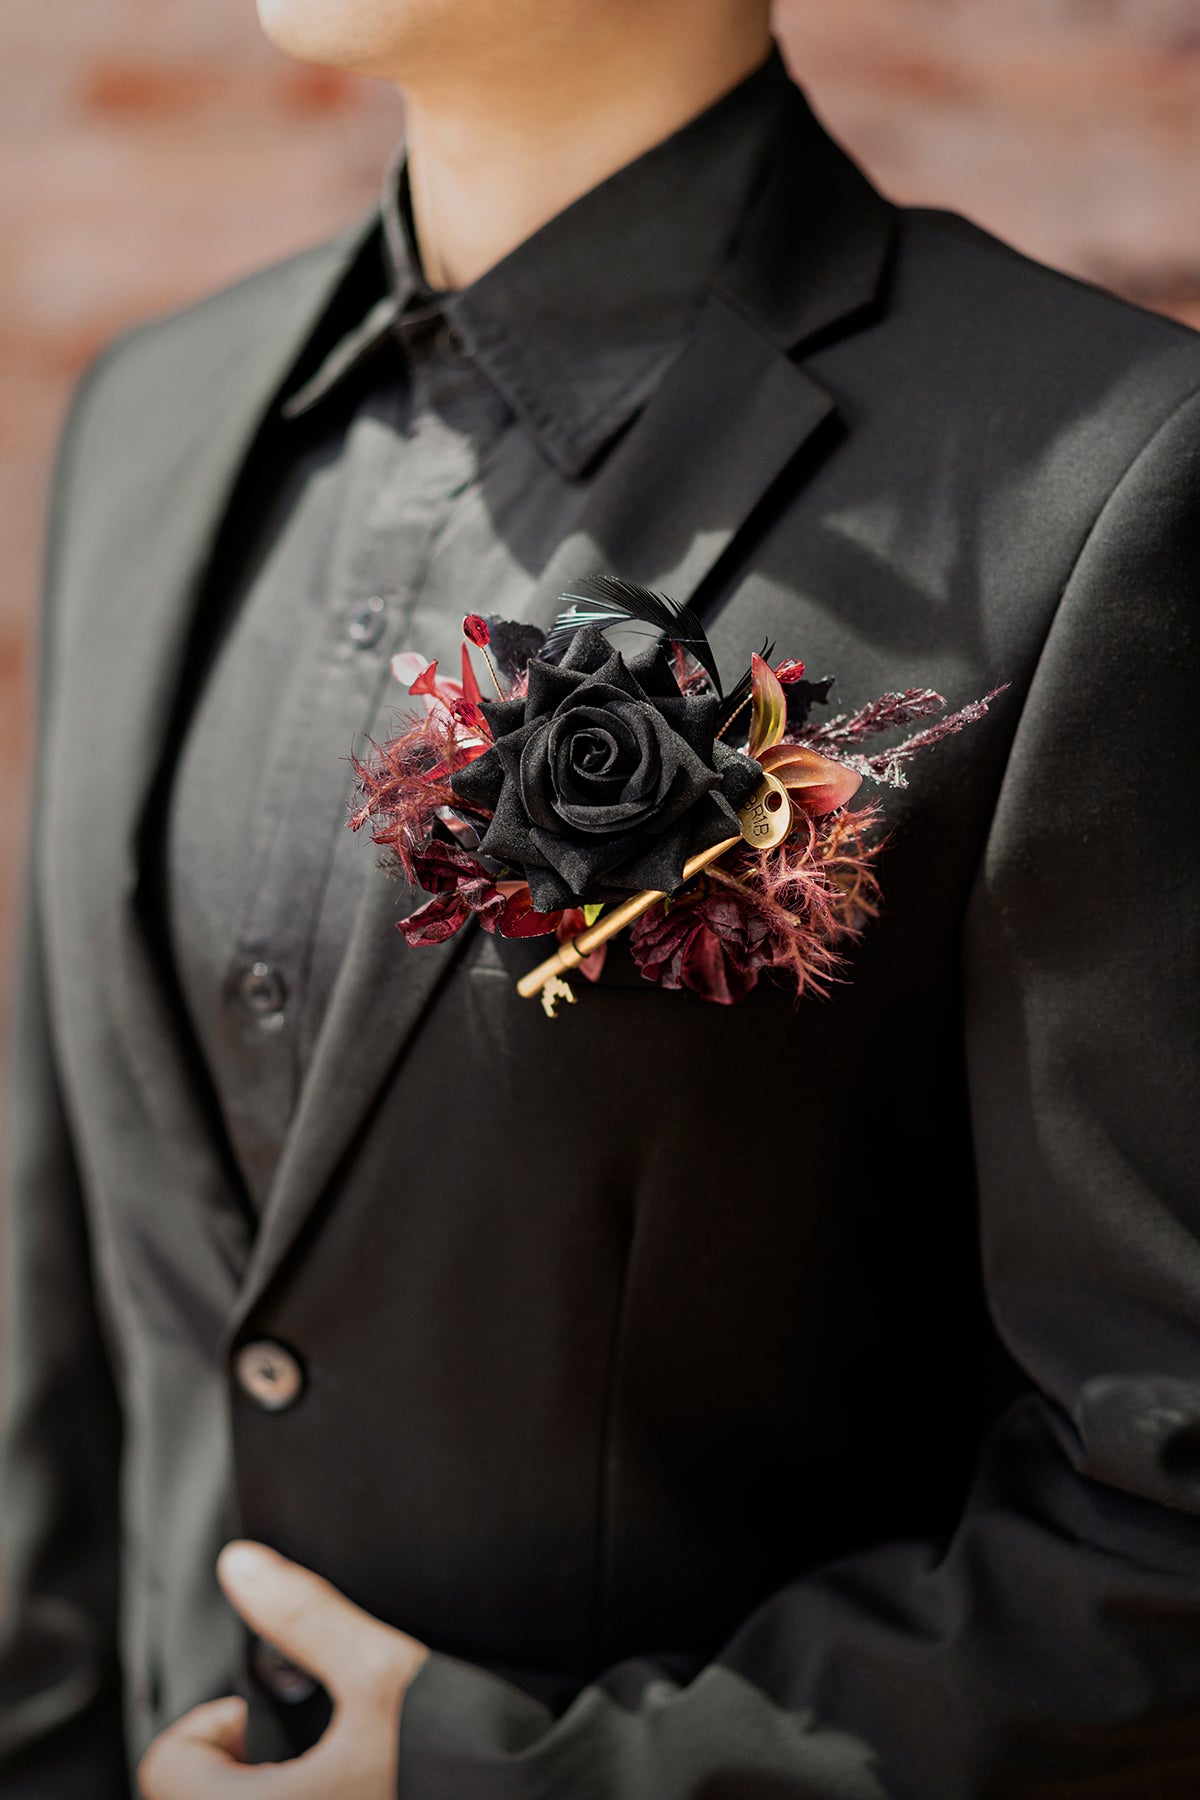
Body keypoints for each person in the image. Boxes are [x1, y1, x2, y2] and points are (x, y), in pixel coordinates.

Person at [4, 0, 1200, 1793]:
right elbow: (65, 1293)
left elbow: (1162, 1501)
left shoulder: (1100, 479)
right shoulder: (151, 419)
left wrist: (535, 1781)